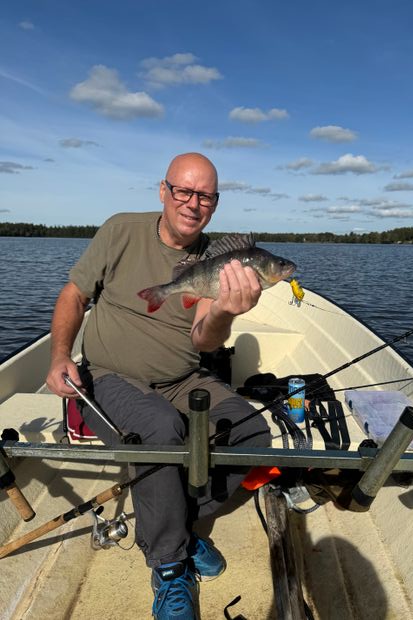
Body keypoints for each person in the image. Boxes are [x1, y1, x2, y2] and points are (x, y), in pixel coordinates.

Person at [46, 152, 271, 620]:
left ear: (215, 203)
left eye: (204, 196)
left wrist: (224, 310)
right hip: (107, 376)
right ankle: (169, 565)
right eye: (183, 191)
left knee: (251, 432)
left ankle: (178, 526)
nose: (193, 203)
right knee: (162, 428)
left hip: (183, 377)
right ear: (164, 191)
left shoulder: (213, 259)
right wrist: (60, 356)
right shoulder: (121, 230)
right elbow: (74, 294)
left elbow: (204, 339)